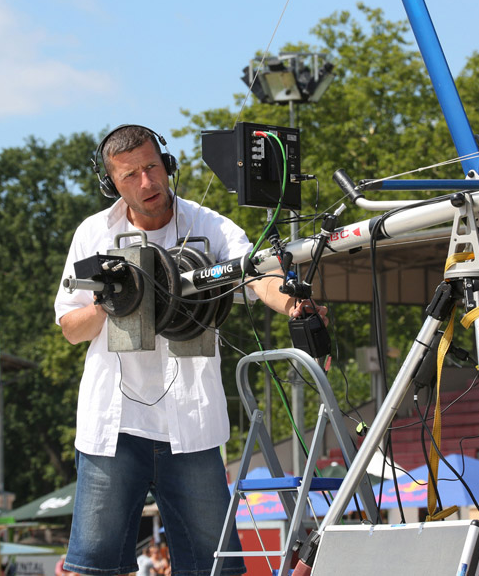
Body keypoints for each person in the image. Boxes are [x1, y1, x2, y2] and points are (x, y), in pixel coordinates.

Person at [55, 125, 325, 576]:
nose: (147, 183)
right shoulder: (92, 234)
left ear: (168, 165)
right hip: (112, 426)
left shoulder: (210, 224)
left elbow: (258, 274)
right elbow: (70, 327)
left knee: (212, 568)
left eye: (152, 167)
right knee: (94, 568)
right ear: (111, 184)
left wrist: (294, 303)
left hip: (192, 428)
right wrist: (111, 300)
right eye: (130, 176)